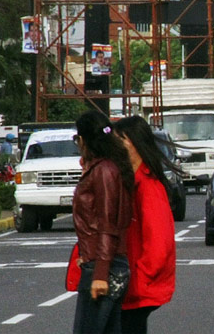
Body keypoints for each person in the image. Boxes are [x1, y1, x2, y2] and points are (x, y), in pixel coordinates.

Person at [113, 116, 178, 334]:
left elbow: (159, 242)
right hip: (133, 286)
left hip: (138, 288)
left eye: (118, 140)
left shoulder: (148, 185)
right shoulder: (133, 180)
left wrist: (136, 281)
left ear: (132, 141)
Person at [72, 110, 134, 334]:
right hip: (104, 262)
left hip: (104, 266)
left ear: (83, 139)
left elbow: (108, 225)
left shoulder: (104, 171)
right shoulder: (108, 167)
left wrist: (99, 273)